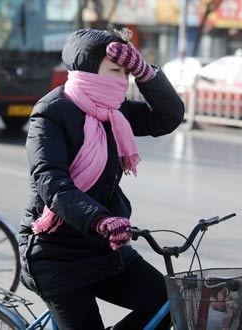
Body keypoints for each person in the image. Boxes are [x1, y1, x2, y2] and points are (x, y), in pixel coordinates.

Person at [19, 28, 185, 329]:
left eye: (126, 73)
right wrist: (99, 219)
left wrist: (145, 72)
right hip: (56, 255)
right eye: (114, 70)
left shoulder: (114, 111)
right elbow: (51, 183)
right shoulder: (50, 113)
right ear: (87, 69)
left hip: (104, 249)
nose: (122, 81)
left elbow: (168, 116)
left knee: (170, 304)